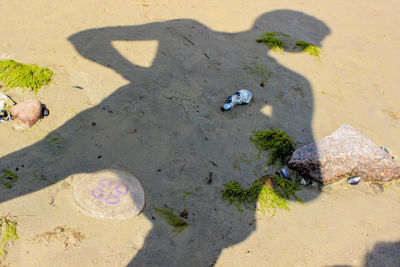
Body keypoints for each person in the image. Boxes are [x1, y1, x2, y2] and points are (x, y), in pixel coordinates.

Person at [1, 10, 329, 266]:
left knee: (20, 171)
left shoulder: (190, 27)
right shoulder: (292, 78)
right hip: (176, 156)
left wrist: (131, 72)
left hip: (108, 120)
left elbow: (86, 38)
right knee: (189, 241)